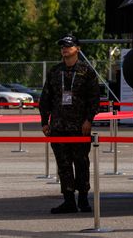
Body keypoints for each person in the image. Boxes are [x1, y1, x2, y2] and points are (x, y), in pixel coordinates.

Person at [39, 34, 100, 214]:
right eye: (62, 46)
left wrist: (89, 120)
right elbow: (45, 99)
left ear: (77, 49)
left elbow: (94, 99)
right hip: (58, 127)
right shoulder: (54, 72)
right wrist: (44, 121)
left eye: (68, 46)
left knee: (81, 163)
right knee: (63, 165)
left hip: (80, 128)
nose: (64, 49)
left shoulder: (87, 72)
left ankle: (83, 199)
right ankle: (68, 201)